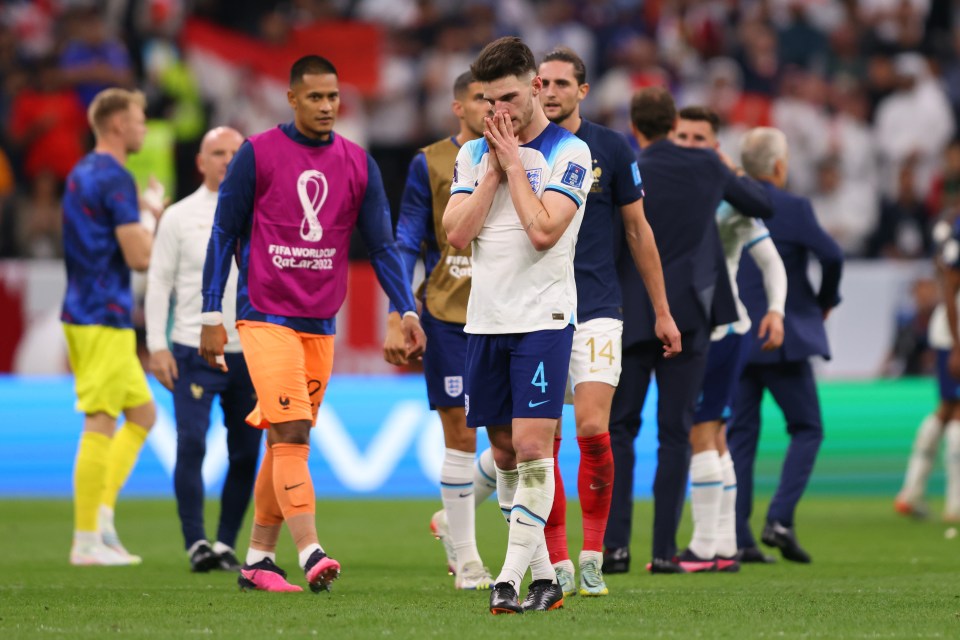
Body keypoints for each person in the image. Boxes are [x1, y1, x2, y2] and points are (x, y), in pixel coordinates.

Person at [199, 55, 426, 593]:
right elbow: (222, 234)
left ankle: (257, 559)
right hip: (264, 316)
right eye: (316, 97)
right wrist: (211, 311)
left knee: (284, 440)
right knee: (293, 431)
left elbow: (383, 244)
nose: (327, 107)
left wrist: (406, 307)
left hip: (321, 322)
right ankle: (311, 550)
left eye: (333, 97)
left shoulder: (357, 163)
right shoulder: (256, 154)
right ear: (292, 99)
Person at [442, 36, 593, 615]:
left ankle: (506, 580)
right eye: (488, 102)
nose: (497, 113)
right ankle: (545, 577)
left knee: (534, 448)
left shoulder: (569, 153)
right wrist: (490, 173)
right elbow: (456, 234)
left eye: (508, 98)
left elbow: (543, 230)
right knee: (503, 454)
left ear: (535, 88)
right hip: (484, 320)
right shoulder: (471, 156)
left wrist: (512, 165)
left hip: (543, 318)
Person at [605, 87, 773, 575]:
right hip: (693, 317)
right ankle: (663, 551)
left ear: (635, 127)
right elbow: (763, 204)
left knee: (621, 429)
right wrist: (724, 160)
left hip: (632, 314)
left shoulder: (627, 168)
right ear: (672, 122)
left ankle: (615, 548)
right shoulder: (708, 166)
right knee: (675, 434)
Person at [536, 47, 680, 597]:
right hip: (536, 312)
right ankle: (556, 561)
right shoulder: (520, 149)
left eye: (559, 84)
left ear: (582, 90)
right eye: (541, 82)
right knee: (539, 442)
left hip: (597, 308)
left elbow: (640, 233)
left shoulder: (611, 149)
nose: (548, 92)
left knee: (594, 428)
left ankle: (592, 554)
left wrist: (662, 311)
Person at [382, 70, 499, 590]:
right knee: (461, 433)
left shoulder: (524, 153)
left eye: (496, 98)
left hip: (509, 314)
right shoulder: (429, 162)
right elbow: (408, 238)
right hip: (450, 316)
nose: (489, 107)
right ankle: (468, 559)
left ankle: (454, 514)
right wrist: (400, 308)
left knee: (518, 439)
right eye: (479, 99)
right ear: (458, 107)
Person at [671, 106, 787, 572]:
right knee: (716, 434)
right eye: (683, 135)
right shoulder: (681, 187)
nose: (690, 143)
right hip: (716, 328)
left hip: (716, 330)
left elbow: (772, 261)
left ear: (716, 148)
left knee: (702, 431)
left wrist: (776, 310)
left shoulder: (728, 198)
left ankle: (703, 547)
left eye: (700, 138)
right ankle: (722, 546)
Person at [146, 126, 264, 573]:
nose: (227, 160)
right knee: (192, 442)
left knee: (245, 452)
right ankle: (196, 541)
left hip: (251, 347)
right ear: (200, 162)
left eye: (236, 152)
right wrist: (156, 344)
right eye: (218, 153)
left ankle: (226, 543)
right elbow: (159, 282)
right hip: (193, 349)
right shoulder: (178, 216)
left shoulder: (262, 212)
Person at [727, 127, 844, 565]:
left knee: (740, 437)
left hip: (737, 335)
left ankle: (738, 536)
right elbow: (832, 255)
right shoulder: (792, 207)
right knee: (807, 427)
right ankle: (779, 518)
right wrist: (824, 301)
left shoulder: (727, 203)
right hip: (781, 339)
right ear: (779, 166)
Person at [62, 87, 158, 566]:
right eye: (139, 119)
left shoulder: (82, 171)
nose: (144, 127)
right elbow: (139, 256)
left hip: (86, 308)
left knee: (142, 414)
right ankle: (85, 539)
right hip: (103, 313)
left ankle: (100, 518)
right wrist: (152, 216)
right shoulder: (117, 177)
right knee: (101, 418)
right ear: (118, 124)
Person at [894, 216, 960, 522]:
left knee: (946, 409)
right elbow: (949, 283)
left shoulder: (951, 225)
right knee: (955, 410)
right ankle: (955, 503)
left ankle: (912, 492)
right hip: (954, 331)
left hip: (949, 330)